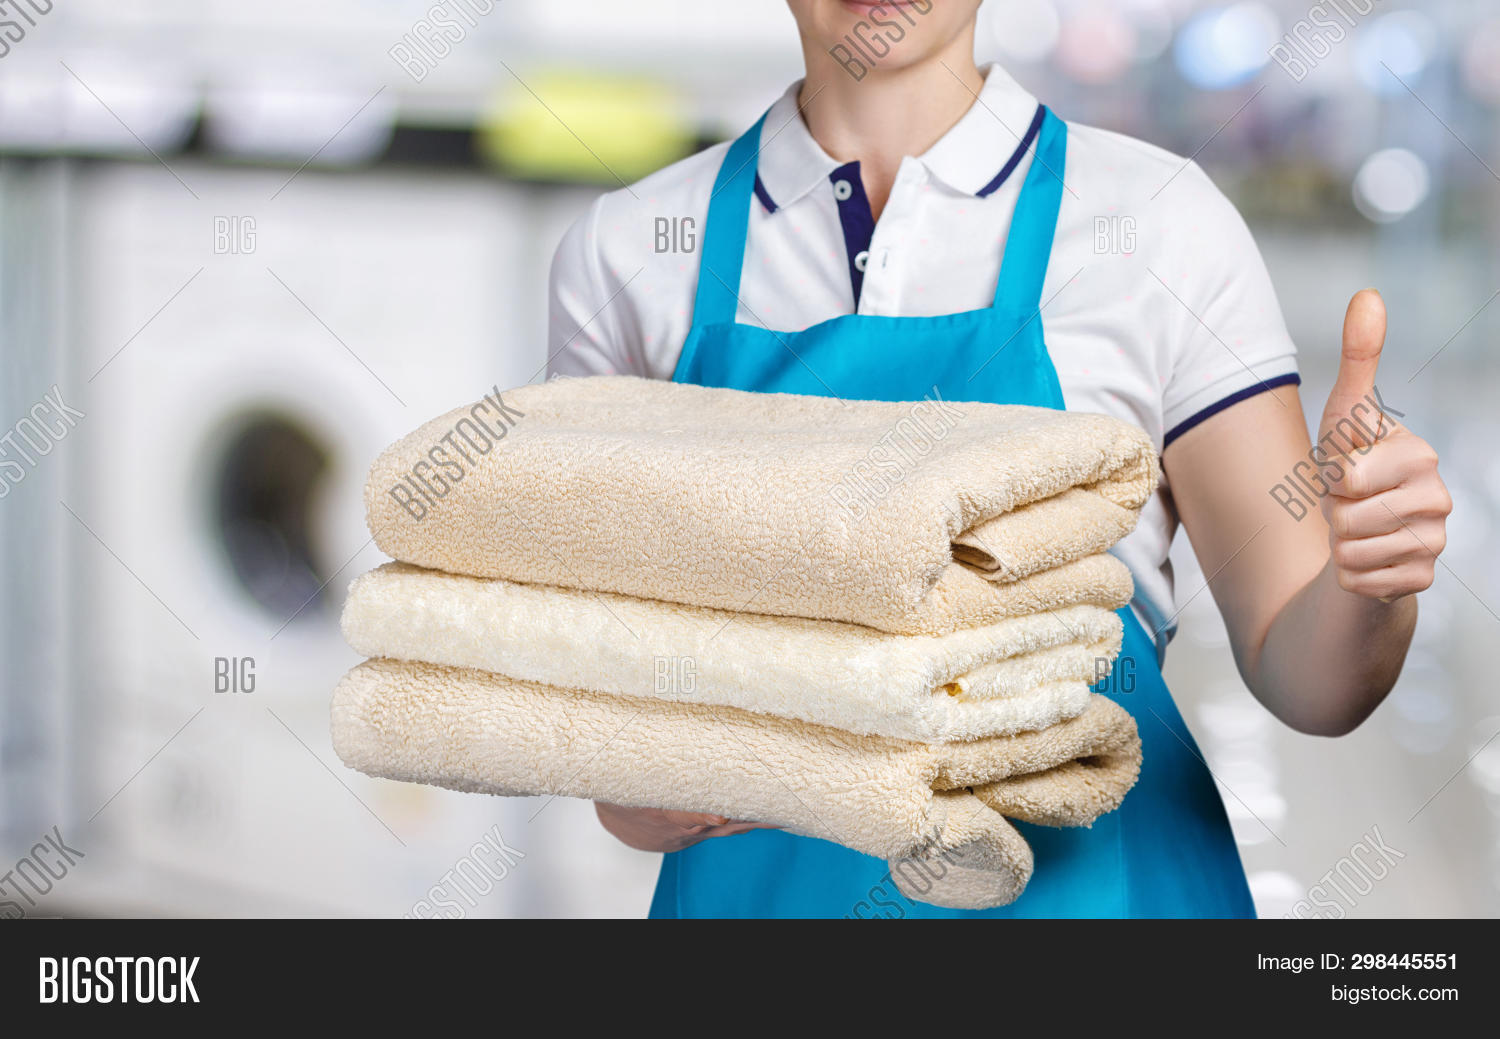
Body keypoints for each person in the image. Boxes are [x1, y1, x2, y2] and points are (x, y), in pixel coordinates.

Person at [546, 0, 1452, 918]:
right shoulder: (630, 253)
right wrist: (632, 783)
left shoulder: (1160, 225)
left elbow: (1311, 680)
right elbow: (593, 695)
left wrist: (1371, 583)